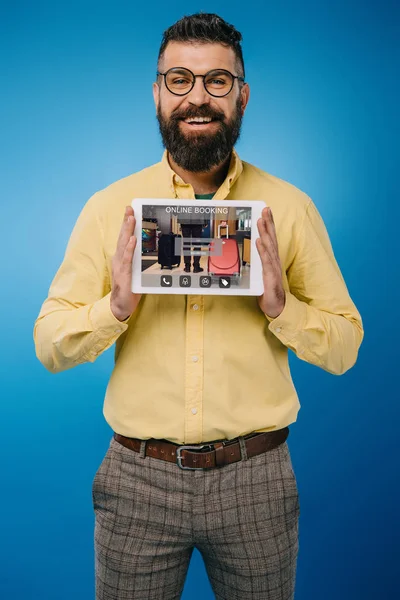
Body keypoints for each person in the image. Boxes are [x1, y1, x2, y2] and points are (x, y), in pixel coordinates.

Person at [33, 12, 364, 600]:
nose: (198, 98)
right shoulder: (111, 209)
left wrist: (281, 307)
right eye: (180, 80)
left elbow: (345, 347)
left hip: (257, 478)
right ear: (158, 93)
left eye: (217, 81)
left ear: (242, 95)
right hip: (137, 479)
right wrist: (115, 306)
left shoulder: (288, 209)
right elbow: (49, 343)